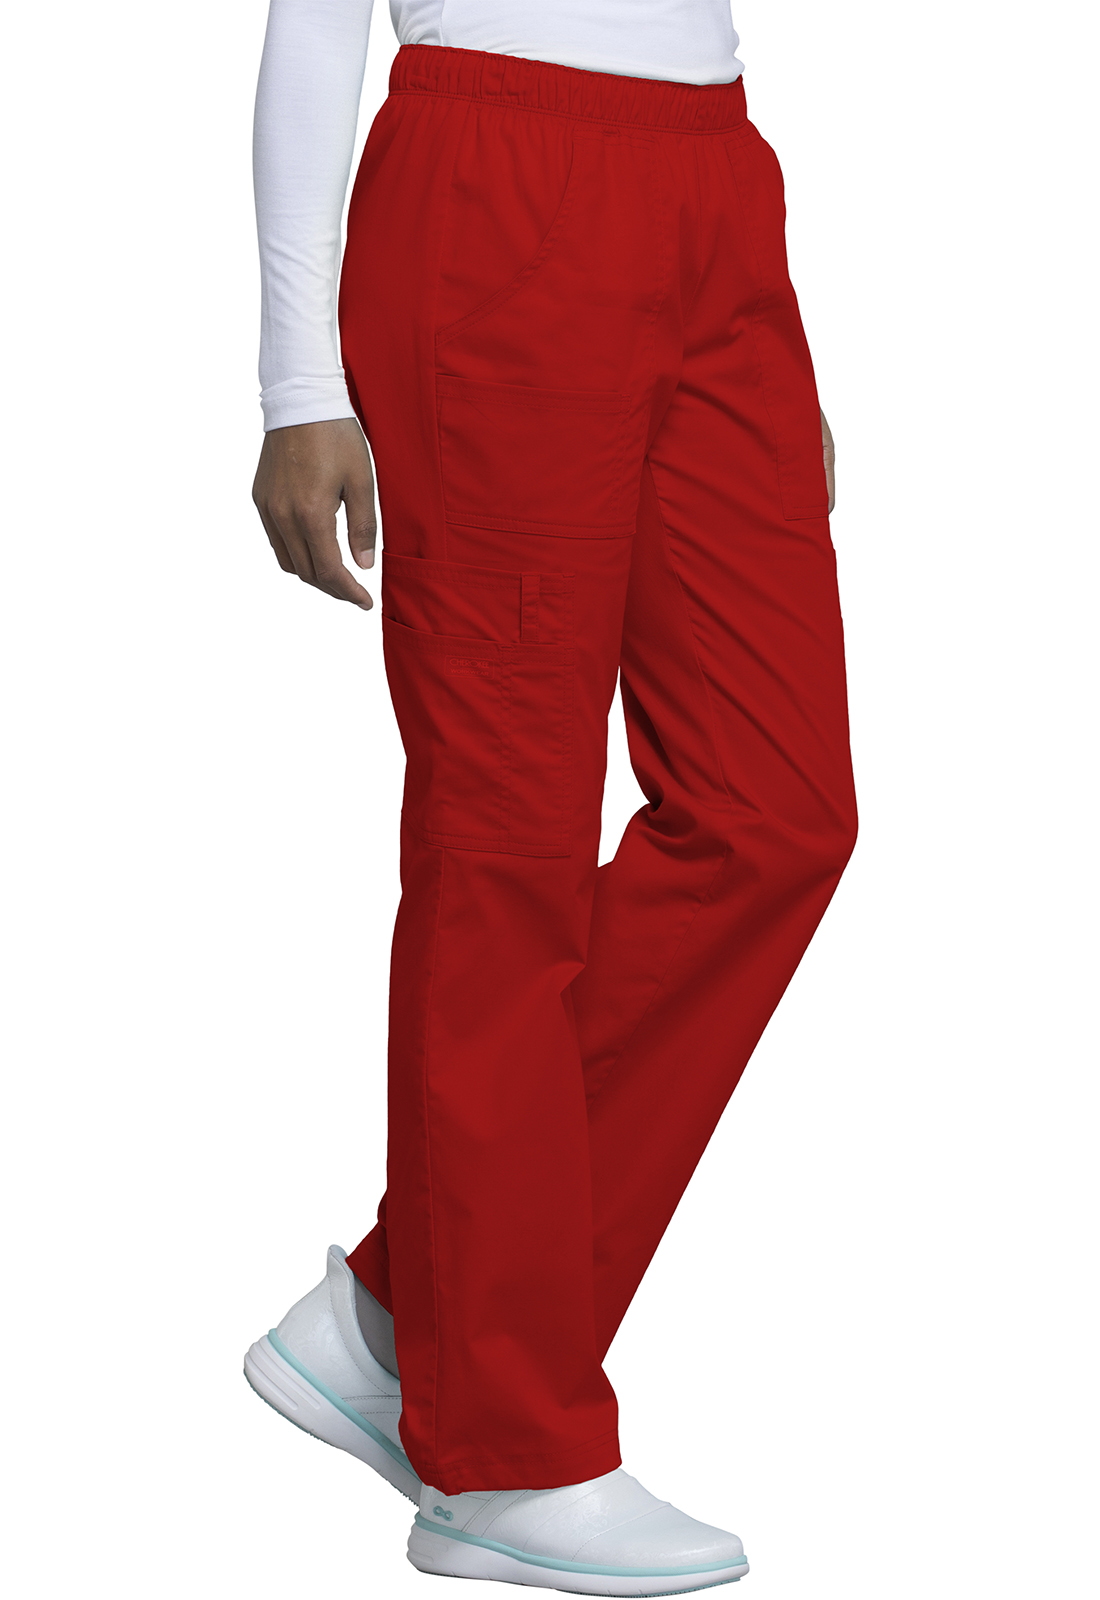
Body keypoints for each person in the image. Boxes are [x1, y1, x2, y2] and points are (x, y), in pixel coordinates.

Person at [244, 2, 857, 1591]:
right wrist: (298, 381)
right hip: (496, 182)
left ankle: (403, 1312)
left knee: (778, 809)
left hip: (714, 188)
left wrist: (742, 300)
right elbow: (314, 18)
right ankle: (501, 1458)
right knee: (502, 847)